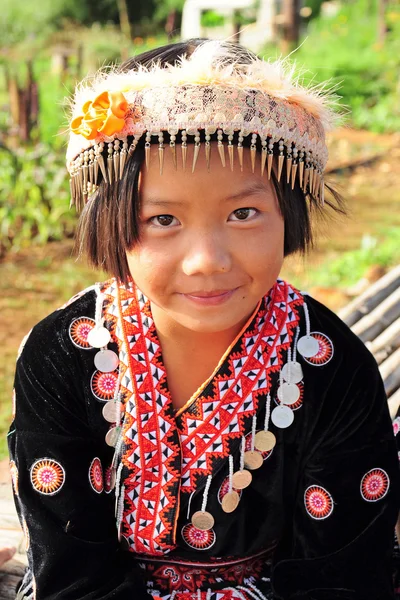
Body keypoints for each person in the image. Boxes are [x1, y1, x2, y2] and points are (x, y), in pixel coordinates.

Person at [7, 38, 400, 600]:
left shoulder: (330, 366)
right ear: (109, 223)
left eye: (244, 213)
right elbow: (71, 573)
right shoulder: (60, 356)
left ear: (289, 213)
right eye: (162, 218)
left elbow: (338, 578)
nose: (207, 260)